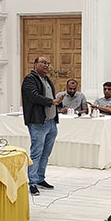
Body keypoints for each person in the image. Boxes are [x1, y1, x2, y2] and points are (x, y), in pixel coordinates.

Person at [21, 56, 65, 196]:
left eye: (48, 63)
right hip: (38, 122)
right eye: (43, 63)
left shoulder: (47, 80)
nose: (47, 65)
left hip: (51, 122)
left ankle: (40, 178)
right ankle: (32, 183)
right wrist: (52, 102)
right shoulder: (30, 79)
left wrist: (58, 103)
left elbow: (51, 98)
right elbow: (34, 97)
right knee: (36, 153)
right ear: (35, 65)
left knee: (46, 153)